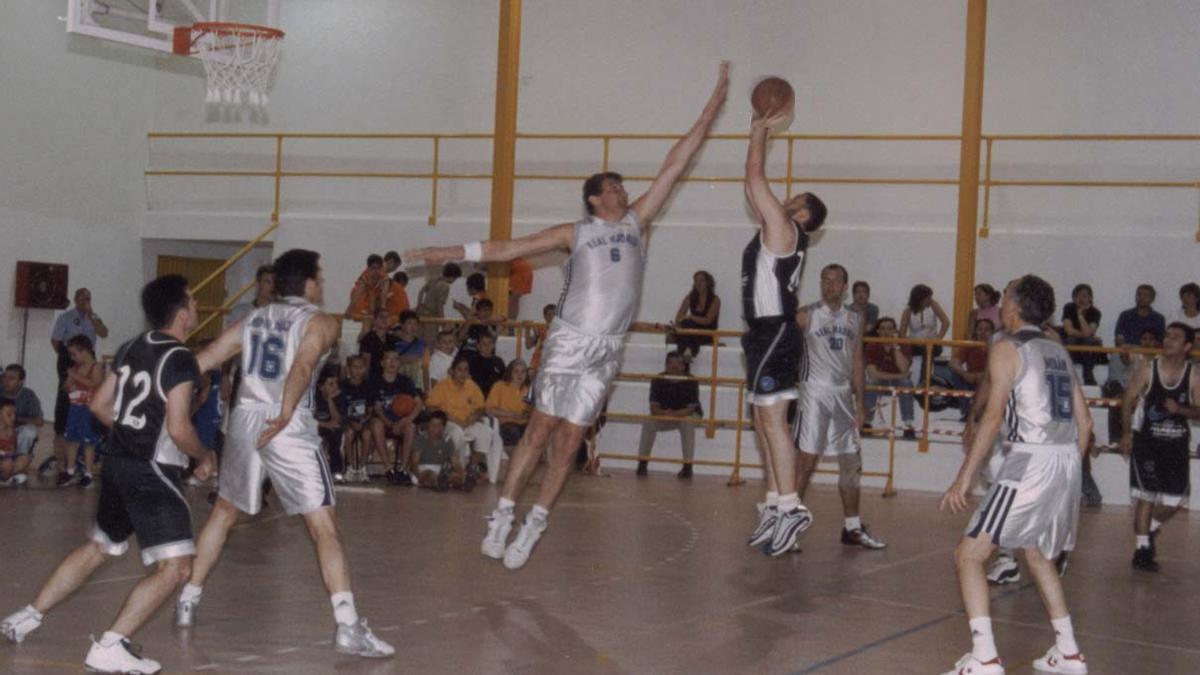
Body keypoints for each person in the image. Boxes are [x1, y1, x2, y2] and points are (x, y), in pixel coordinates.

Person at [406, 62, 729, 570]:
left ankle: (533, 524)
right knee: (539, 430)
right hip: (571, 340)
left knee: (570, 442)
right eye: (616, 189)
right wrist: (445, 250)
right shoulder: (573, 233)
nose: (625, 192)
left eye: (625, 188)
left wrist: (713, 106)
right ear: (596, 199)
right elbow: (506, 246)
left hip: (607, 350)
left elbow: (675, 163)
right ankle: (502, 516)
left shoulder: (637, 223)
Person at [174, 249, 394, 659]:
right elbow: (304, 366)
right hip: (286, 423)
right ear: (309, 282)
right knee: (324, 525)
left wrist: (155, 383)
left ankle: (188, 599)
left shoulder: (253, 318)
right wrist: (288, 408)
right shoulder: (320, 321)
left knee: (223, 511)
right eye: (321, 277)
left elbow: (204, 359)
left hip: (244, 418)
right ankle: (347, 626)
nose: (323, 284)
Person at [1, 275, 215, 674]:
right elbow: (179, 428)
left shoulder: (132, 346)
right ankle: (110, 646)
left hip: (117, 463)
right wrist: (205, 456)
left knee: (100, 547)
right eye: (194, 301)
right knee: (178, 568)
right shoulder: (181, 357)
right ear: (182, 311)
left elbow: (100, 404)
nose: (198, 308)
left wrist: (129, 436)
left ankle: (27, 616)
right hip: (152, 469)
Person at [939, 275, 1093, 675]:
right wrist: (1065, 471)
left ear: (1015, 306)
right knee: (1037, 554)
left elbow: (992, 417)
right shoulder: (1057, 349)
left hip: (1030, 460)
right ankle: (1070, 651)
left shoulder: (1007, 347)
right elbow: (1087, 423)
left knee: (969, 554)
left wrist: (964, 477)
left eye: (1006, 296)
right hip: (1065, 459)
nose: (1002, 303)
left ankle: (985, 657)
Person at [741, 101, 828, 557]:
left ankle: (792, 505)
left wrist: (760, 133)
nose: (785, 199)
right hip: (764, 333)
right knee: (763, 419)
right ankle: (775, 505)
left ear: (802, 214)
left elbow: (756, 181)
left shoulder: (785, 229)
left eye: (793, 200)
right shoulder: (776, 232)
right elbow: (751, 187)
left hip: (774, 331)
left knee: (773, 421)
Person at [793, 264, 886, 550]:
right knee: (806, 461)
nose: (829, 285)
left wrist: (860, 403)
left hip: (843, 394)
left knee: (850, 461)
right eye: (825, 280)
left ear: (845, 286)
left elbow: (857, 362)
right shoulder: (807, 316)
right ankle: (788, 525)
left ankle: (852, 527)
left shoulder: (854, 319)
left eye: (835, 281)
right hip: (815, 392)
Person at [1120, 322, 1198, 572]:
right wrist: (1125, 433)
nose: (1168, 340)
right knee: (1146, 495)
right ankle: (1142, 549)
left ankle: (1151, 527)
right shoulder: (1147, 369)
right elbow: (1128, 399)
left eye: (1176, 337)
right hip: (1147, 443)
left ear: (1187, 346)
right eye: (1167, 335)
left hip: (1176, 445)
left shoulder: (1194, 375)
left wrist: (1181, 410)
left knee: (1177, 499)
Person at [50, 288, 108, 473]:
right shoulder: (66, 317)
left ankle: (88, 422)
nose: (86, 301)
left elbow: (104, 332)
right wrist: (67, 356)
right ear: (75, 299)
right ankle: (63, 426)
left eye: (88, 298)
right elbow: (56, 340)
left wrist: (92, 315)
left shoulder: (94, 317)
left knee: (90, 389)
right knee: (67, 391)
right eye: (83, 298)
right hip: (69, 355)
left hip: (88, 356)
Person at [426, 354, 492, 483]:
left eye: (466, 370)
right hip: (449, 423)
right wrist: (446, 416)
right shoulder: (442, 386)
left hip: (468, 422)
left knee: (486, 432)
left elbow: (481, 408)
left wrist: (475, 416)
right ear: (452, 371)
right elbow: (430, 407)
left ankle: (472, 467)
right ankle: (457, 470)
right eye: (459, 369)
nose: (463, 373)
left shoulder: (472, 386)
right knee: (457, 433)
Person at [635, 350, 701, 479]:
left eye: (678, 363)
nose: (674, 366)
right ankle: (642, 463)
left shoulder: (691, 380)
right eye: (670, 363)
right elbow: (654, 407)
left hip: (687, 415)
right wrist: (665, 414)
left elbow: (690, 409)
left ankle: (688, 467)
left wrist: (673, 414)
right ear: (665, 365)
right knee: (649, 422)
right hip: (664, 414)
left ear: (683, 366)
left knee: (687, 422)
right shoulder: (657, 379)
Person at [368, 350, 423, 484]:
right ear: (382, 363)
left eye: (396, 359)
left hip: (401, 422)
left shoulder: (405, 381)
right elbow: (377, 408)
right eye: (388, 359)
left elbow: (419, 403)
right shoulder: (375, 381)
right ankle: (388, 468)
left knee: (411, 427)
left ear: (399, 364)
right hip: (383, 421)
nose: (392, 362)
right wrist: (389, 424)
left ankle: (403, 469)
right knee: (376, 424)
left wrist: (405, 421)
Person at [58, 335, 104, 488]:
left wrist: (75, 376)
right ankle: (70, 471)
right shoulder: (75, 368)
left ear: (84, 351)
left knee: (88, 442)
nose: (72, 358)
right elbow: (66, 386)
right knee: (71, 439)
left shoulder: (96, 367)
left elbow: (94, 384)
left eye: (74, 354)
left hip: (88, 411)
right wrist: (68, 384)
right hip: (75, 408)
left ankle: (88, 473)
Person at [863, 317, 917, 439]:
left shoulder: (903, 345)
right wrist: (900, 375)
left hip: (898, 383)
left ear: (895, 331)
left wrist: (895, 347)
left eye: (889, 329)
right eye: (882, 329)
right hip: (880, 381)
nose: (886, 332)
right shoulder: (872, 345)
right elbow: (872, 373)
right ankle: (866, 422)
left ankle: (908, 425)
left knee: (906, 383)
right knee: (870, 382)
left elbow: (904, 368)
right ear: (878, 332)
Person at [1110, 284, 1166, 387]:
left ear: (1152, 299)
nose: (1141, 298)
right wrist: (1125, 349)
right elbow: (1119, 338)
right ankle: (1115, 387)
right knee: (1115, 354)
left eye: (1145, 295)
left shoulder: (1158, 318)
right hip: (1128, 352)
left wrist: (1141, 349)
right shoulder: (1125, 315)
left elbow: (1160, 341)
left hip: (1148, 353)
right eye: (1139, 294)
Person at [899, 283, 950, 389]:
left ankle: (924, 381)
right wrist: (909, 342)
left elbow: (946, 322)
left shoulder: (933, 305)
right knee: (903, 351)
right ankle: (904, 379)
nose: (929, 299)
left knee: (928, 350)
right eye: (927, 298)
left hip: (932, 344)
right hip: (914, 344)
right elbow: (902, 333)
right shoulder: (908, 311)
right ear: (919, 299)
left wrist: (939, 338)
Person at [1, 364, 44, 486]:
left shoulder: (28, 395)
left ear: (21, 382)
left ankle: (14, 467)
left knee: (29, 432)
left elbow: (39, 422)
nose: (6, 381)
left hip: (16, 432)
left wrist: (12, 420)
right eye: (5, 377)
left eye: (11, 378)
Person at [486, 358, 533, 467]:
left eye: (523, 372)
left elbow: (534, 408)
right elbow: (489, 410)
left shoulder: (529, 389)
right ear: (510, 372)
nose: (519, 375)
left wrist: (529, 412)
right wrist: (512, 414)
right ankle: (518, 467)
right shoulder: (499, 386)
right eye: (516, 371)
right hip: (507, 422)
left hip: (526, 422)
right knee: (512, 432)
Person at [946, 318, 994, 421]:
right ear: (975, 332)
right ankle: (967, 412)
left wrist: (979, 376)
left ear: (992, 332)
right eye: (980, 329)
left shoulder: (997, 347)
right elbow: (953, 362)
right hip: (970, 381)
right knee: (953, 374)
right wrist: (964, 374)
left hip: (989, 382)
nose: (983, 332)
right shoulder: (970, 345)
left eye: (987, 329)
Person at [337, 355, 375, 483]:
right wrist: (351, 422)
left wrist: (363, 421)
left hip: (363, 421)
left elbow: (370, 411)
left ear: (365, 369)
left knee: (367, 433)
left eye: (361, 367)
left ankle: (362, 468)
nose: (358, 370)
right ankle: (350, 467)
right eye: (355, 367)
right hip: (347, 421)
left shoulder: (368, 386)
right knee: (349, 433)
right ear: (348, 369)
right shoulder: (342, 386)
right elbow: (340, 411)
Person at [671, 270, 721, 360]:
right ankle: (687, 353)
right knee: (684, 326)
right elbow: (678, 317)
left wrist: (691, 317)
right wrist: (679, 323)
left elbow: (707, 321)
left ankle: (685, 353)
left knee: (689, 323)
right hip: (691, 331)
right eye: (696, 281)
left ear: (708, 283)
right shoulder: (690, 297)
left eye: (701, 281)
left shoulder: (715, 300)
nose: (698, 283)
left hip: (707, 332)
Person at [1061, 283, 1104, 385]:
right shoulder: (1069, 307)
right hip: (1073, 343)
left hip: (1087, 346)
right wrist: (1087, 335)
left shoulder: (1095, 312)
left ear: (1090, 298)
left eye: (1084, 296)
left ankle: (1088, 375)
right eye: (1077, 296)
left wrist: (1080, 315)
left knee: (1088, 341)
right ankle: (1069, 375)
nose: (1080, 299)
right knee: (1072, 339)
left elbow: (1089, 332)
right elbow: (1069, 330)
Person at [410, 411, 464, 490]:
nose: (434, 428)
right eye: (432, 425)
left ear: (443, 427)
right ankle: (440, 483)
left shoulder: (447, 440)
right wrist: (419, 477)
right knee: (430, 475)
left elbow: (455, 462)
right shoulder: (421, 439)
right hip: (422, 469)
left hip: (441, 470)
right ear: (428, 425)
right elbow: (414, 463)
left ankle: (455, 483)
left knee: (454, 476)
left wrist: (461, 475)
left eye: (438, 425)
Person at [415, 263, 461, 345]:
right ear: (452, 277)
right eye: (455, 278)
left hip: (421, 314)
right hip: (432, 317)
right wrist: (442, 322)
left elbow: (421, 292)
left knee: (418, 341)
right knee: (430, 344)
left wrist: (418, 306)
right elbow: (439, 305)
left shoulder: (433, 280)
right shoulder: (445, 286)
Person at [315, 367, 346, 482]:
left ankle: (336, 471)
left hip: (330, 427)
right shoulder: (314, 398)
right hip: (316, 426)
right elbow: (308, 419)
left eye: (336, 383)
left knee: (335, 434)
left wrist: (330, 400)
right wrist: (325, 425)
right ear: (321, 387)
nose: (335, 387)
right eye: (330, 384)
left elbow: (337, 420)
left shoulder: (340, 397)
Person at [390, 310, 428, 391]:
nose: (413, 327)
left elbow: (425, 369)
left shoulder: (422, 345)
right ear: (402, 325)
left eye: (415, 324)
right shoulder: (393, 344)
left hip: (416, 387)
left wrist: (427, 390)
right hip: (397, 386)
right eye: (409, 323)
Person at [345, 254, 389, 324]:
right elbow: (357, 294)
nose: (376, 271)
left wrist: (383, 309)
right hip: (362, 296)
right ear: (368, 268)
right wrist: (349, 308)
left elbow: (384, 294)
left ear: (381, 268)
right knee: (365, 317)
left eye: (378, 268)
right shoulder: (365, 277)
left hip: (374, 297)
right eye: (373, 268)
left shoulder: (384, 278)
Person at [357, 307, 392, 381]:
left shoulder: (393, 339)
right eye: (381, 317)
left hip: (390, 376)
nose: (384, 319)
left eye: (387, 317)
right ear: (375, 321)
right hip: (373, 377)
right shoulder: (368, 339)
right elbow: (366, 363)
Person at [468, 333, 506, 397]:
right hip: (476, 395)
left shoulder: (498, 361)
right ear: (478, 346)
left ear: (493, 345)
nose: (487, 346)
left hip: (494, 396)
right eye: (484, 344)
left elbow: (504, 379)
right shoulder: (472, 361)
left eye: (490, 343)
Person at [525, 304, 556, 374]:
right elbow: (528, 345)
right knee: (531, 373)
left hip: (554, 361)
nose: (552, 317)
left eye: (554, 314)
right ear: (544, 317)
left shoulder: (561, 331)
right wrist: (527, 330)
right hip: (538, 363)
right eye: (549, 315)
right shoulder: (540, 329)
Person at [508, 257, 534, 322]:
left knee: (513, 300)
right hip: (520, 270)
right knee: (513, 300)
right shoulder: (521, 265)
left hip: (519, 271)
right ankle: (511, 322)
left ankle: (511, 322)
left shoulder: (521, 266)